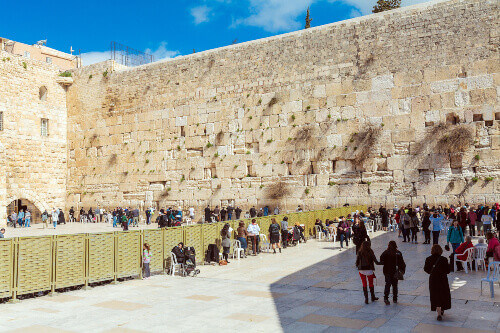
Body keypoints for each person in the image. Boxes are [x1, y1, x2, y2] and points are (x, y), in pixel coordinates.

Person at [424, 245, 451, 321]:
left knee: (435, 295)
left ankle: (438, 311)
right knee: (442, 294)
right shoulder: (444, 259)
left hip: (433, 279)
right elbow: (448, 271)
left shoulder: (428, 259)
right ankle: (442, 309)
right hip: (442, 279)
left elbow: (426, 269)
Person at [379, 240, 406, 305]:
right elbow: (402, 263)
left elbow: (381, 260)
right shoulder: (398, 253)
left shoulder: (385, 252)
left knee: (387, 284)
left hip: (387, 271)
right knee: (395, 285)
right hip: (395, 271)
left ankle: (386, 298)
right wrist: (402, 271)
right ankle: (395, 298)